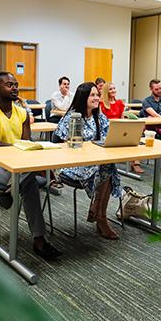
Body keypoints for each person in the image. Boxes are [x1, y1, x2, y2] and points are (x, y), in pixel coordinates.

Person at [0, 72, 61, 261]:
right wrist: (38, 165)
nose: (14, 87)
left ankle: (10, 193)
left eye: (16, 84)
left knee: (28, 178)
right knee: (31, 176)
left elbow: (27, 143)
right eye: (9, 85)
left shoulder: (22, 112)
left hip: (21, 166)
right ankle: (39, 241)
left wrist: (32, 159)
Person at [55, 82, 121, 239]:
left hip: (97, 162)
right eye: (92, 95)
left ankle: (99, 213)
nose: (96, 98)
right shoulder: (72, 117)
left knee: (107, 167)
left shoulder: (100, 117)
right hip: (73, 165)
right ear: (82, 97)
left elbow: (108, 137)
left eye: (97, 95)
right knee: (107, 168)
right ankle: (100, 217)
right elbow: (66, 146)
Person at [100, 82, 144, 174]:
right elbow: (101, 121)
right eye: (110, 89)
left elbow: (122, 118)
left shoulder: (119, 103)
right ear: (106, 91)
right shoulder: (102, 104)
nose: (113, 90)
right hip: (108, 129)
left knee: (134, 136)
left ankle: (135, 162)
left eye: (114, 88)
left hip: (119, 127)